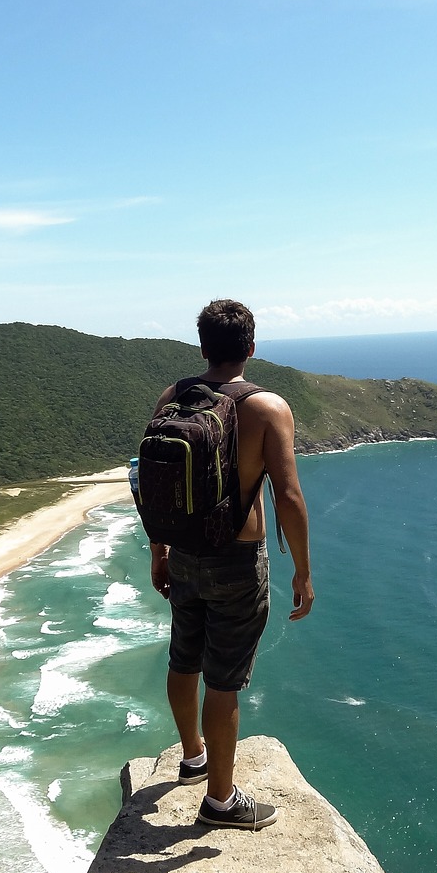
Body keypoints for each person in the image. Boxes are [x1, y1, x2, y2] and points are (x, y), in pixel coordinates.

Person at [149, 298, 314, 830]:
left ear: (202, 347)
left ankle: (193, 757)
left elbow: (148, 481)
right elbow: (287, 494)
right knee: (224, 680)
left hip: (185, 554)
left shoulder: (174, 398)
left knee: (184, 658)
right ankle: (221, 801)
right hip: (238, 561)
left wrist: (160, 552)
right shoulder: (267, 408)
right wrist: (304, 572)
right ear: (250, 347)